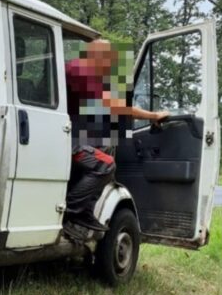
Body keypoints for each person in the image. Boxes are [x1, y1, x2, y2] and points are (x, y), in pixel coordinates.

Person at [64, 39, 169, 231]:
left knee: (104, 145)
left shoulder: (82, 71)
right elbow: (117, 108)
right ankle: (73, 211)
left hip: (69, 133)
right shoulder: (80, 72)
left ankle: (85, 208)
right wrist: (153, 116)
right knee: (106, 164)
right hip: (65, 139)